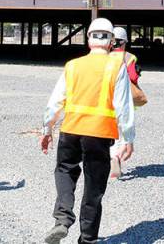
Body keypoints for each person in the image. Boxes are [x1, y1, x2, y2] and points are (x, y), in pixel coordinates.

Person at [40, 17, 135, 244]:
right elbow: (123, 106)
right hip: (100, 134)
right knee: (94, 185)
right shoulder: (116, 67)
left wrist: (47, 129)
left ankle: (62, 220)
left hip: (71, 129)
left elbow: (55, 102)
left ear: (89, 39)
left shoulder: (73, 66)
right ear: (111, 42)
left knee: (65, 170)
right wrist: (128, 139)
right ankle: (88, 239)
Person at [108, 26, 142, 179]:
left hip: (108, 100)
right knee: (122, 132)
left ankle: (112, 156)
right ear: (124, 42)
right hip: (125, 99)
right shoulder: (130, 57)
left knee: (111, 132)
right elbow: (133, 77)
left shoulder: (105, 57)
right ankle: (117, 158)